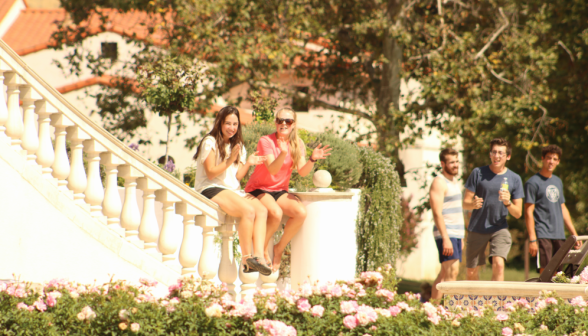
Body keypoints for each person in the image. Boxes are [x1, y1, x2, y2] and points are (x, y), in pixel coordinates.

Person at [245, 108, 331, 272]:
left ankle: (279, 248)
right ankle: (262, 251)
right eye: (280, 120)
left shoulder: (297, 143)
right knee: (276, 213)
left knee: (300, 213)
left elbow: (303, 172)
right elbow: (272, 170)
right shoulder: (266, 141)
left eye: (288, 121)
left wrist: (312, 159)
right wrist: (283, 152)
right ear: (276, 122)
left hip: (279, 190)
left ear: (293, 124)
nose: (283, 123)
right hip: (258, 188)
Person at [193, 106, 272, 275]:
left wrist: (249, 162)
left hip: (232, 189)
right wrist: (229, 160)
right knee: (248, 211)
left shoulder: (238, 146)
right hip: (210, 187)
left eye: (235, 124)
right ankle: (246, 258)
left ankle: (257, 257)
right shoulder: (210, 141)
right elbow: (211, 173)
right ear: (220, 123)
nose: (232, 127)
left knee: (262, 210)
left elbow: (237, 177)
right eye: (228, 123)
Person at [463, 137, 523, 281]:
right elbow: (465, 202)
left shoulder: (514, 179)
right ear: (490, 154)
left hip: (499, 227)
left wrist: (508, 203)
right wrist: (473, 204)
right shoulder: (478, 173)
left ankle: (496, 302)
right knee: (471, 272)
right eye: (494, 152)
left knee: (499, 265)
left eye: (501, 153)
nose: (497, 156)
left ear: (508, 156)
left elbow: (518, 213)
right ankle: (475, 302)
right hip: (477, 227)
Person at [524, 145, 581, 273]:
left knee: (559, 273)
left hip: (559, 234)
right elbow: (528, 212)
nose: (551, 161)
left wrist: (574, 234)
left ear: (558, 161)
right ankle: (544, 294)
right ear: (542, 159)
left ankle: (554, 294)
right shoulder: (532, 183)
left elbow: (563, 208)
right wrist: (532, 239)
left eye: (555, 159)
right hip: (543, 233)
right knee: (546, 272)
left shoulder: (557, 181)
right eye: (548, 158)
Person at [430, 148, 465, 300]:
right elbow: (437, 213)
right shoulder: (439, 182)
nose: (455, 165)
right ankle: (448, 313)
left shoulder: (454, 182)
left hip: (455, 235)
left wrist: (461, 237)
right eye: (451, 162)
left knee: (444, 274)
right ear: (443, 164)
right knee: (452, 273)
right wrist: (446, 238)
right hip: (447, 233)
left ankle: (432, 310)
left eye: (457, 161)